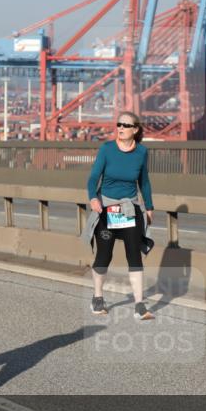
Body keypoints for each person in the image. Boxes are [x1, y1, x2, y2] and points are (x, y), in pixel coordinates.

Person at [84, 111, 155, 320]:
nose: (121, 128)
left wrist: (149, 207)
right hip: (106, 209)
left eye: (126, 125)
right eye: (119, 124)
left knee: (134, 255)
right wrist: (93, 198)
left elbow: (144, 182)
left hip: (129, 209)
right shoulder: (107, 149)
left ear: (135, 130)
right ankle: (97, 297)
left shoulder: (142, 152)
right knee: (104, 255)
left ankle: (140, 305)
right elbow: (93, 177)